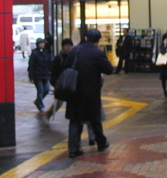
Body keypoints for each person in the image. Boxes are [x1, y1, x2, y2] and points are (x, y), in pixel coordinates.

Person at [62, 29, 113, 158]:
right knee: (94, 118)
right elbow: (109, 70)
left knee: (75, 120)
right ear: (98, 40)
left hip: (74, 90)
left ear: (85, 38)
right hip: (91, 91)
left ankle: (73, 149)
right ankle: (101, 143)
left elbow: (66, 65)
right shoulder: (98, 53)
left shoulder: (75, 50)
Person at [28, 38, 53, 114]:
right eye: (41, 43)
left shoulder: (46, 52)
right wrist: (31, 77)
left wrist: (50, 72)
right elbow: (31, 65)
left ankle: (38, 101)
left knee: (47, 90)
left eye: (43, 43)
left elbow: (50, 63)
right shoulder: (34, 53)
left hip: (45, 75)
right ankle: (41, 106)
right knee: (41, 91)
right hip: (37, 76)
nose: (43, 44)